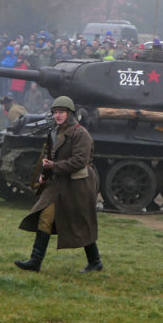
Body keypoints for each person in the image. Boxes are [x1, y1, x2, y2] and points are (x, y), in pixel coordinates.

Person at [15, 96, 102, 273]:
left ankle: (95, 261)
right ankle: (35, 261)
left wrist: (53, 167)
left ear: (70, 114)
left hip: (78, 185)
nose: (58, 115)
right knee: (45, 216)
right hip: (59, 184)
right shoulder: (57, 132)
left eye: (62, 112)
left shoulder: (80, 134)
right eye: (55, 112)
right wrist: (45, 175)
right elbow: (53, 158)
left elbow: (79, 161)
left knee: (81, 222)